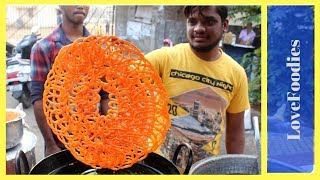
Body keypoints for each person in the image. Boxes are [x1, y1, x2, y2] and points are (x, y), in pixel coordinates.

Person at [145, 6, 250, 166]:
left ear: (225, 25)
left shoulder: (236, 73)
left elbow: (235, 133)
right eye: (192, 21)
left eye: (209, 21)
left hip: (202, 169)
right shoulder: (164, 59)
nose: (199, 28)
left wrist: (236, 169)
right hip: (157, 167)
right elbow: (122, 80)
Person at [30, 5, 109, 157]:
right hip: (60, 145)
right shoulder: (44, 48)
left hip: (93, 141)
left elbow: (105, 95)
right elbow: (39, 99)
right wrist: (50, 144)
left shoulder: (98, 48)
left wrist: (107, 135)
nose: (80, 5)